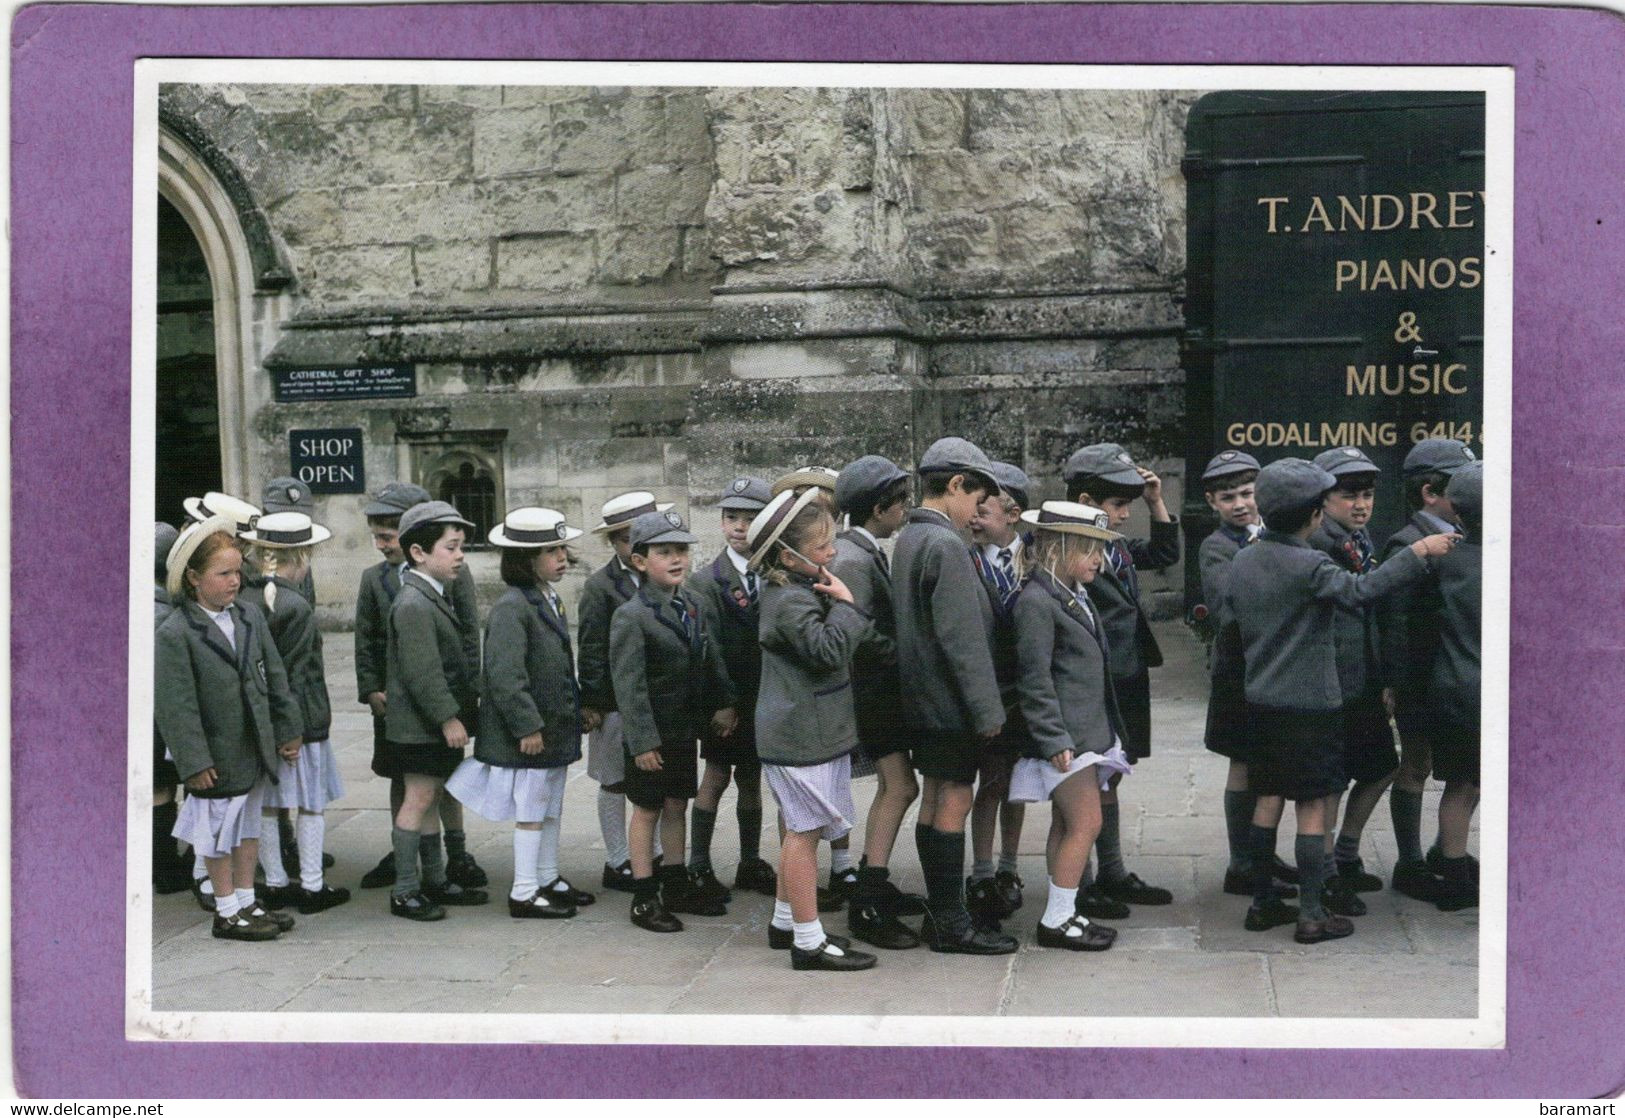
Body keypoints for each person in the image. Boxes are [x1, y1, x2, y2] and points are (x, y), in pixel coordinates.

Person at [1213, 458, 1457, 943]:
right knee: (1311, 808)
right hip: (1311, 708)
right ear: (1314, 515)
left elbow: (1232, 621)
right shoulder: (1311, 565)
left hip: (1261, 702)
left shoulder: (1243, 559)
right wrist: (1419, 553)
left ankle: (1262, 903)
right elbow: (1362, 592)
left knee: (1267, 801)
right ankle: (1311, 914)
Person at [892, 437, 1017, 954]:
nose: (979, 511)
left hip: (923, 699)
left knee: (936, 800)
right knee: (955, 799)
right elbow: (963, 641)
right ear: (955, 485)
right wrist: (988, 712)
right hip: (949, 702)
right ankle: (950, 921)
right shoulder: (945, 545)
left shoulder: (911, 537)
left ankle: (941, 913)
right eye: (977, 498)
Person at [748, 489, 879, 971]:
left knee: (804, 830)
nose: (832, 553)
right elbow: (827, 652)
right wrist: (847, 604)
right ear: (789, 555)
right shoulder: (788, 601)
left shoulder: (796, 590)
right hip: (800, 737)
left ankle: (786, 921)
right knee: (803, 834)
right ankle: (807, 941)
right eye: (823, 547)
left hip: (811, 731)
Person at [155, 516, 303, 941]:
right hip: (214, 756)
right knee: (218, 832)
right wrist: (193, 761)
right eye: (224, 574)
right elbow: (175, 708)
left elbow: (274, 675)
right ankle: (225, 911)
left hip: (253, 745)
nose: (235, 581)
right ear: (194, 578)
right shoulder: (176, 632)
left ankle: (246, 898)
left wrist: (287, 728)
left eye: (238, 571)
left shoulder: (249, 616)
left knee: (248, 825)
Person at [448, 508, 595, 920]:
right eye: (552, 550)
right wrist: (527, 725)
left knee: (550, 807)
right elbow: (505, 674)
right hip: (532, 733)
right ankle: (525, 891)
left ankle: (547, 877)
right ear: (525, 559)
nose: (562, 557)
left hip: (555, 728)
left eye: (563, 548)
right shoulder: (513, 607)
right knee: (531, 811)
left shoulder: (546, 598)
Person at [1009, 500, 1136, 950]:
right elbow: (1034, 677)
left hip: (1085, 733)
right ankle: (1058, 919)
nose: (1099, 561)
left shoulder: (1070, 594)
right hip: (1066, 738)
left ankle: (1065, 910)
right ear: (1059, 548)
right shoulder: (1037, 602)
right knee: (1087, 822)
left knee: (1067, 824)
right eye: (1090, 551)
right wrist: (1052, 736)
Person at [609, 510, 739, 932]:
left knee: (677, 803)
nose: (676, 559)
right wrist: (642, 742)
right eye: (664, 552)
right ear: (640, 561)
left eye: (681, 550)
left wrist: (725, 702)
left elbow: (712, 656)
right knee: (646, 808)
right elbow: (629, 688)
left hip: (683, 729)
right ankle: (645, 897)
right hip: (652, 734)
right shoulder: (632, 615)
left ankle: (676, 881)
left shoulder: (694, 603)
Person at [354, 482, 488, 892]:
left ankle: (442, 870)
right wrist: (372, 687)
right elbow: (386, 648)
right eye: (453, 546)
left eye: (388, 534)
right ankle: (409, 882)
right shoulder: (403, 594)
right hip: (412, 711)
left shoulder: (441, 580)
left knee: (430, 791)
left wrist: (463, 701)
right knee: (416, 792)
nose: (382, 545)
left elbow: (464, 637)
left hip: (432, 708)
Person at [1063, 443, 1179, 916]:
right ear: (1088, 503)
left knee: (1111, 776)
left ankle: (1111, 871)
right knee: (1082, 782)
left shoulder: (1114, 546)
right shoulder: (1067, 550)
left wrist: (1156, 501)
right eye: (1118, 504)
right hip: (1094, 682)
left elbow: (1165, 552)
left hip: (1125, 674)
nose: (1126, 514)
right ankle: (1083, 882)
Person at [831, 455, 924, 950]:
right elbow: (859, 632)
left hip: (877, 693)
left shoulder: (861, 550)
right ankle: (867, 897)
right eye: (900, 501)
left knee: (900, 786)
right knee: (901, 787)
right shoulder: (853, 557)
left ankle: (873, 880)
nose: (906, 509)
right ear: (879, 507)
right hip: (873, 694)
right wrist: (908, 654)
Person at [1377, 438, 1477, 901]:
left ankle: (1444, 850)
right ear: (1430, 493)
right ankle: (1410, 861)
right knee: (1415, 765)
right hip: (1419, 677)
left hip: (1449, 676)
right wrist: (1395, 682)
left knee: (1456, 770)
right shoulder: (1407, 543)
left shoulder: (1463, 539)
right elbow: (1397, 623)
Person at [1196, 452, 1297, 901]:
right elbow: (1226, 608)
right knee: (1243, 763)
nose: (1240, 504)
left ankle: (1263, 852)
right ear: (1212, 502)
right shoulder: (1218, 547)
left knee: (1270, 764)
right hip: (1239, 669)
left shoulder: (1278, 536)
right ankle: (1242, 861)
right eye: (1228, 497)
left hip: (1275, 666)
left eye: (1247, 493)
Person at [239, 511, 350, 915]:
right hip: (301, 723)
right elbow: (298, 676)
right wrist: (295, 729)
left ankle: (275, 881)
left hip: (262, 721)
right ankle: (313, 886)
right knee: (310, 804)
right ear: (301, 557)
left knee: (270, 803)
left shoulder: (246, 598)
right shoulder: (296, 605)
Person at [1307, 446, 1396, 917]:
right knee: (1331, 783)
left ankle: (1345, 852)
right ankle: (1324, 873)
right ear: (1323, 500)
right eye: (1348, 495)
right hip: (1333, 681)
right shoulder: (1321, 544)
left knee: (1381, 766)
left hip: (1361, 677)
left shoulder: (1361, 541)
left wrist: (1382, 676)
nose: (1360, 505)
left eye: (1367, 495)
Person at [688, 478, 776, 900]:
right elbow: (709, 650)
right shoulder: (707, 582)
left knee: (752, 779)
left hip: (763, 700)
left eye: (750, 518)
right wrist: (722, 704)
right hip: (727, 702)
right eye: (731, 518)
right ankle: (699, 865)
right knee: (717, 776)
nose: (740, 527)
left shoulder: (774, 573)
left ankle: (749, 861)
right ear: (721, 523)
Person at [578, 491, 669, 892]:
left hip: (660, 699)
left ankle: (651, 853)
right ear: (614, 543)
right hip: (617, 701)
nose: (636, 543)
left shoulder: (662, 575)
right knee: (615, 779)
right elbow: (592, 647)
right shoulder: (602, 586)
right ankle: (618, 859)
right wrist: (594, 701)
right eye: (626, 537)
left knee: (656, 782)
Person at [966, 461, 1035, 927]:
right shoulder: (967, 558)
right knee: (990, 782)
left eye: (984, 508)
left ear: (1011, 514)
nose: (974, 516)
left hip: (1026, 690)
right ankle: (982, 870)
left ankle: (1010, 865)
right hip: (990, 687)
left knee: (1018, 785)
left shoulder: (1036, 556)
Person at [1427, 461, 1483, 912]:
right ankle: (1453, 874)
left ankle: (1450, 857)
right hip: (1489, 694)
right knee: (1469, 787)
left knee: (1462, 784)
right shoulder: (1511, 561)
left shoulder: (1447, 558)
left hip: (1452, 688)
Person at [151, 521, 194, 895]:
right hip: (163, 715)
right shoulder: (168, 614)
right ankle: (173, 868)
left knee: (157, 789)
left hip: (142, 718)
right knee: (173, 788)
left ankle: (160, 864)